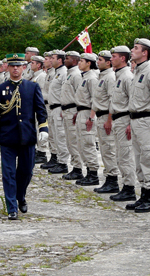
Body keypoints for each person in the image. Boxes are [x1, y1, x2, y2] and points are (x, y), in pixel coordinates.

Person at [0, 53, 48, 220]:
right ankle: (12, 207)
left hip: (27, 137)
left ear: (24, 67)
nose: (15, 68)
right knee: (8, 173)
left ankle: (20, 196)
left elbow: (40, 110)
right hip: (8, 137)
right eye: (12, 65)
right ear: (7, 67)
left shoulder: (32, 87)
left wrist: (43, 129)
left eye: (18, 65)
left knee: (26, 171)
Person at [126, 38, 150, 213]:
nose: (132, 50)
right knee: (139, 160)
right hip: (135, 120)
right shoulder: (137, 71)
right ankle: (143, 195)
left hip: (147, 120)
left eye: (136, 48)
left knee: (149, 158)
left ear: (145, 52)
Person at [108, 46, 137, 202]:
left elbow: (132, 101)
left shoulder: (127, 76)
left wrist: (130, 122)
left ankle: (129, 187)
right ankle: (125, 185)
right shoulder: (118, 75)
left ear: (123, 59)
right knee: (120, 155)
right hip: (117, 119)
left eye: (114, 56)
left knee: (125, 155)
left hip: (125, 118)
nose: (111, 59)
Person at [93, 50, 119, 193]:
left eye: (100, 60)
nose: (98, 62)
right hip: (100, 116)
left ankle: (113, 179)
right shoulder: (102, 76)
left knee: (109, 149)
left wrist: (109, 120)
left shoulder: (110, 77)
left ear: (108, 62)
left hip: (106, 117)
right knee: (104, 149)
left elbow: (112, 100)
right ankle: (109, 177)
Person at [74, 53, 100, 186]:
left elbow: (95, 99)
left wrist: (91, 117)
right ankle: (88, 170)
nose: (79, 63)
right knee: (81, 143)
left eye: (82, 61)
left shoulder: (92, 78)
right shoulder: (83, 77)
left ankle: (93, 173)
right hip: (81, 112)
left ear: (89, 63)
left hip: (88, 113)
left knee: (88, 143)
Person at [60, 51, 84, 180]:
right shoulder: (69, 74)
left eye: (67, 58)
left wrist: (76, 111)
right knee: (69, 141)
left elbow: (79, 95)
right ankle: (75, 166)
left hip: (73, 110)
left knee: (74, 141)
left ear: (74, 61)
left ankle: (78, 168)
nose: (64, 60)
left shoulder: (76, 75)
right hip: (66, 110)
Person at [47, 50, 69, 174]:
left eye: (53, 58)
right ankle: (57, 159)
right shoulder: (57, 73)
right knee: (54, 135)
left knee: (61, 136)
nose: (50, 60)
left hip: (59, 108)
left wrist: (63, 107)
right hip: (53, 108)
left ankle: (63, 163)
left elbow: (64, 92)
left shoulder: (64, 73)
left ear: (60, 60)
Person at [40, 51, 58, 169]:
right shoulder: (50, 74)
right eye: (47, 59)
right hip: (47, 105)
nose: (47, 61)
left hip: (55, 107)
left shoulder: (57, 74)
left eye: (49, 58)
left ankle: (57, 158)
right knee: (51, 134)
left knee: (57, 135)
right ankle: (53, 156)